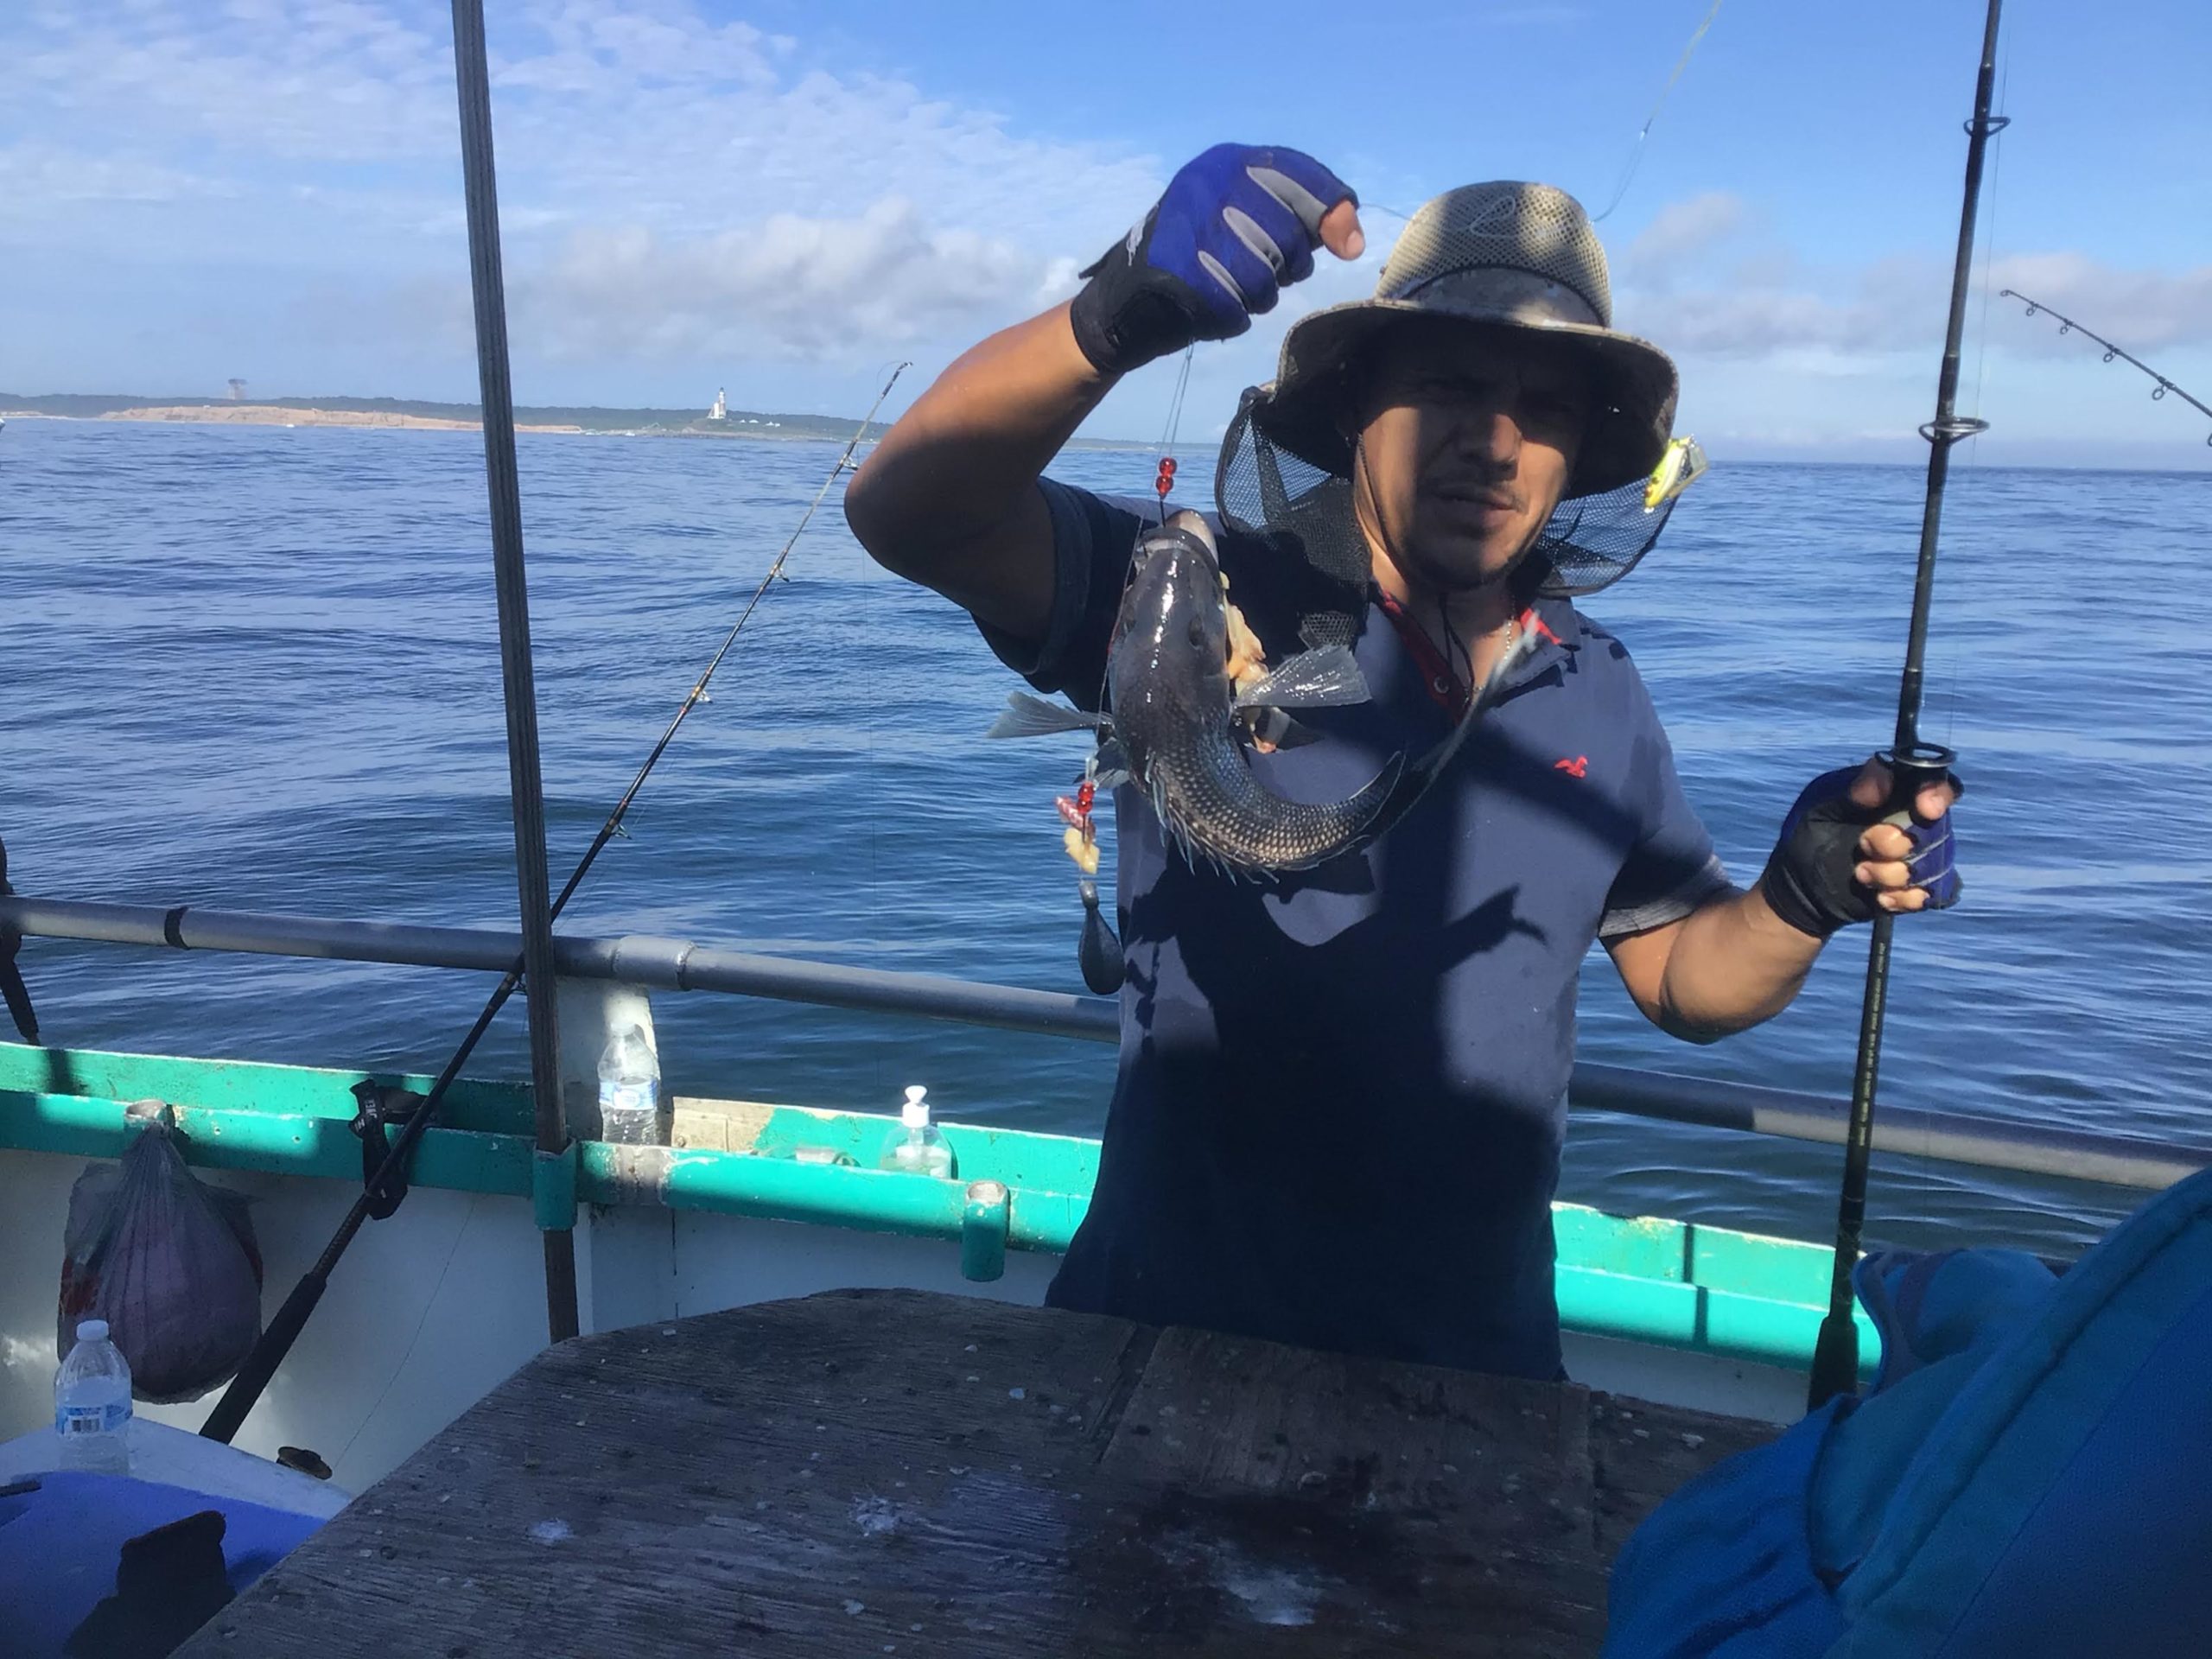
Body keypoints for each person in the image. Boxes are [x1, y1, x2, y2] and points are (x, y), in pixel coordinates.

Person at [845, 145, 1960, 1380]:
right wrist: (1111, 317)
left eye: (1545, 408)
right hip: (1154, 1349)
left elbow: (1682, 981)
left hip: (1479, 1379)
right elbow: (910, 511)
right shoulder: (1209, 596)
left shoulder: (1597, 687)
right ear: (1354, 406)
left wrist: (1800, 897)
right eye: (1449, 385)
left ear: (1581, 456)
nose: (1497, 441)